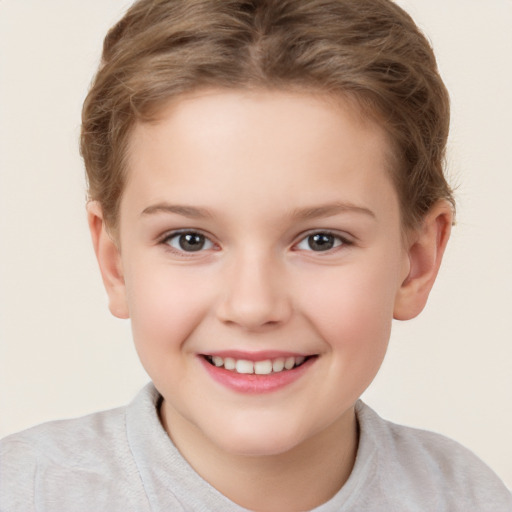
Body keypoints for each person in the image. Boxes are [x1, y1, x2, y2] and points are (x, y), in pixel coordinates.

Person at [1, 0, 511, 510]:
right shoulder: (25, 492)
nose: (252, 306)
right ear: (115, 263)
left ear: (416, 262)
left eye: (321, 240)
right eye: (189, 240)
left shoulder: (467, 497)